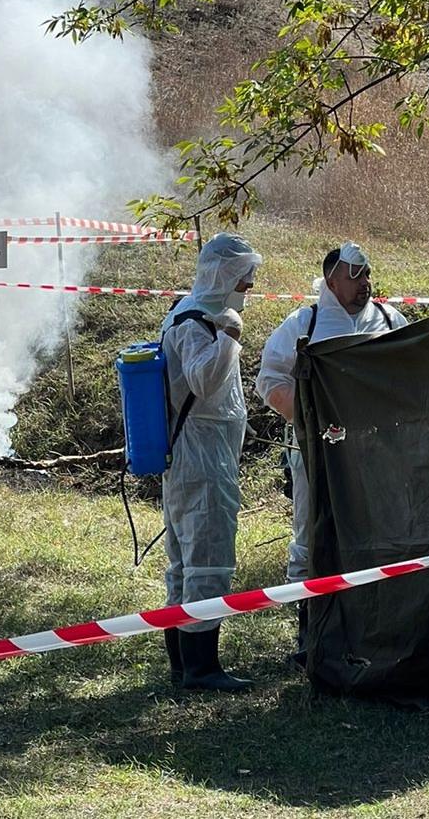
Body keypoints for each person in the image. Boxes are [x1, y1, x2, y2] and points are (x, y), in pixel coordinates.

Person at [255, 242, 408, 663]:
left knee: (379, 533)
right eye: (354, 275)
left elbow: (412, 377)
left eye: (367, 274)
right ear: (331, 281)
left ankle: (373, 632)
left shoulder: (390, 320)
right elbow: (270, 381)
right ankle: (313, 638)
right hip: (317, 454)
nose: (365, 283)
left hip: (378, 453)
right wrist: (310, 423)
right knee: (313, 533)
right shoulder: (306, 323)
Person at [160, 232, 262, 692]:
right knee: (206, 558)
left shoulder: (197, 314)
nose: (250, 286)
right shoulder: (197, 321)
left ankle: (185, 664)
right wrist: (229, 338)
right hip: (200, 460)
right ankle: (201, 668)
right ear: (225, 275)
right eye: (245, 278)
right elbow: (203, 381)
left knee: (187, 561)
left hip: (200, 455)